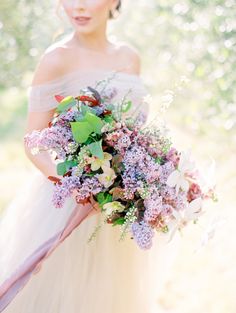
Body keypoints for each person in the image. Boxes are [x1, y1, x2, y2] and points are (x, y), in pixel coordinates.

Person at [0, 1, 181, 312]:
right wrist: (79, 184)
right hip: (66, 201)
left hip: (119, 204)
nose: (79, 6)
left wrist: (146, 174)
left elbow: (136, 129)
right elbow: (33, 143)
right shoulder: (56, 59)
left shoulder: (129, 56)